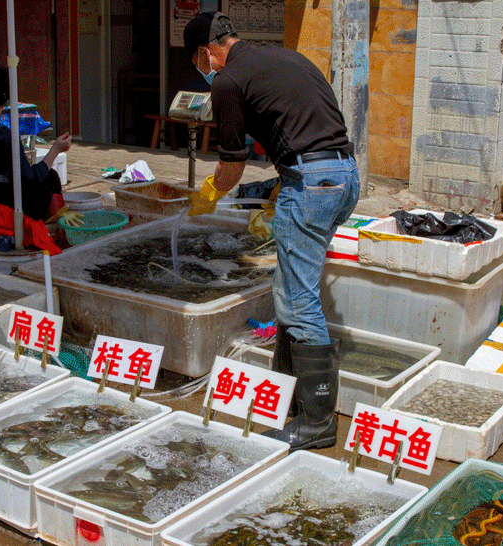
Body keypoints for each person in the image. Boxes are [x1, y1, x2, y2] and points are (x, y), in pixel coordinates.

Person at [183, 12, 360, 451]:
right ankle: (289, 393)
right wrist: (284, 183)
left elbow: (232, 163)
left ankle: (317, 422)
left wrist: (210, 193)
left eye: (197, 60)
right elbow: (307, 123)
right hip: (346, 175)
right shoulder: (287, 58)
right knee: (291, 285)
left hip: (312, 182)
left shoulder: (226, 81)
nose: (202, 69)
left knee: (300, 301)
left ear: (206, 52)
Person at [0, 64, 79, 226]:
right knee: (50, 178)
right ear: (9, 98)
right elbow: (29, 181)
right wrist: (56, 149)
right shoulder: (3, 136)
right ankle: (45, 232)